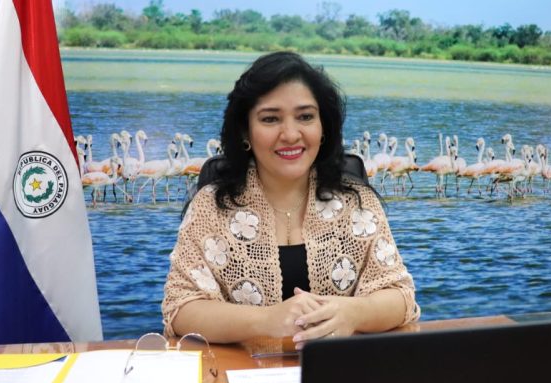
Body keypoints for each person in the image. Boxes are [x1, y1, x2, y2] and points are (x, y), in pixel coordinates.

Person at [162, 51, 419, 346]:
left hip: (335, 368)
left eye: (305, 117)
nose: (290, 134)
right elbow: (180, 308)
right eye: (270, 119)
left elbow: (400, 297)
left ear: (323, 128)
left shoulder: (357, 202)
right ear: (245, 131)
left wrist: (354, 313)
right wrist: (266, 320)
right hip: (241, 371)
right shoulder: (210, 206)